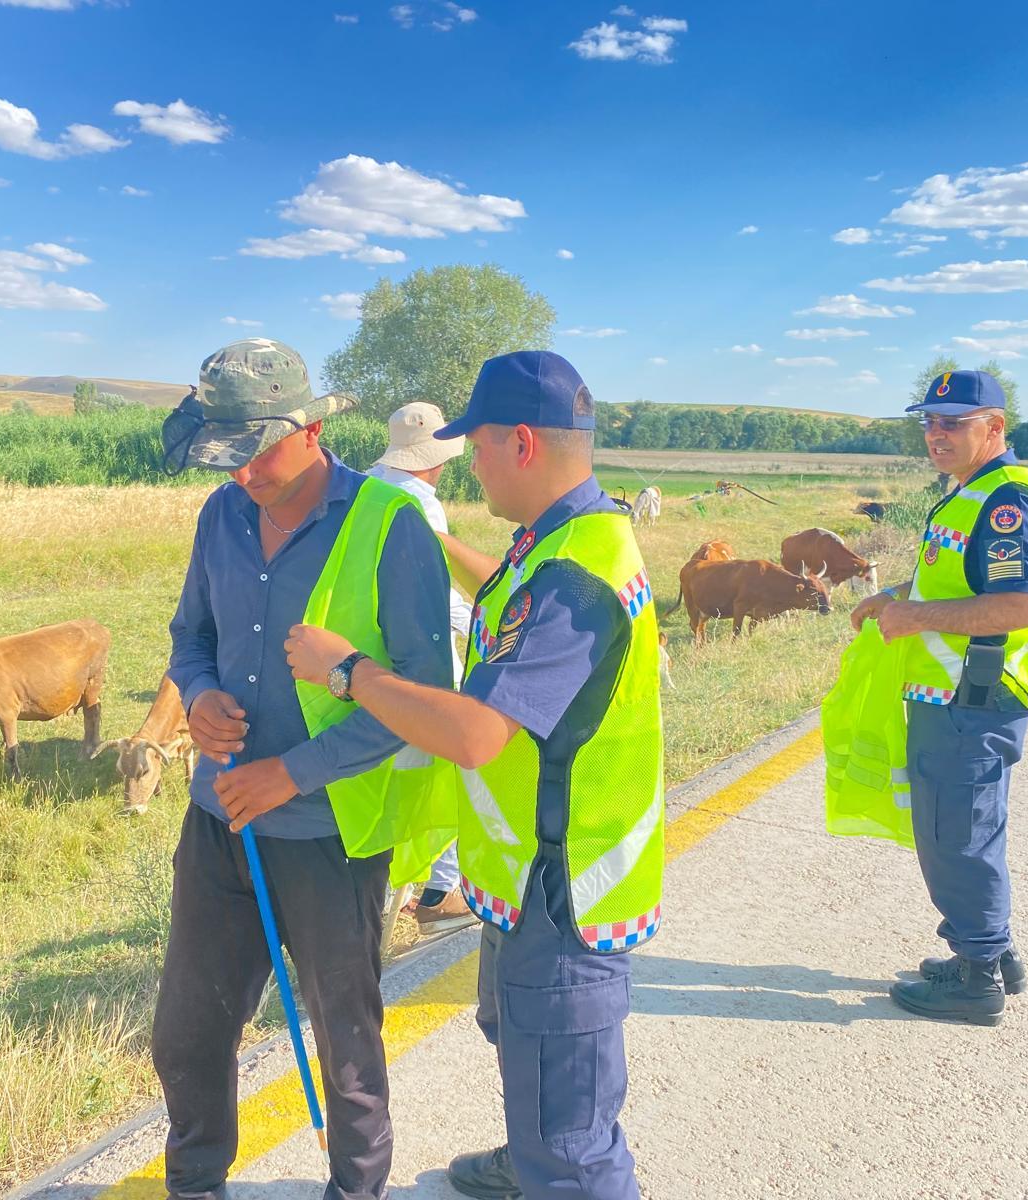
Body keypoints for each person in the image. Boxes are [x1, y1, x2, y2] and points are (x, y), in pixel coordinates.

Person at [287, 350, 663, 1200]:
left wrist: (348, 671)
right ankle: (531, 1150)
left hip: (565, 890)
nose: (472, 464)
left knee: (572, 1131)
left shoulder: (573, 578)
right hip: (527, 872)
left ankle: (554, 1168)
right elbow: (509, 592)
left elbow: (476, 735)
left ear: (521, 442)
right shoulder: (568, 535)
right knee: (525, 1043)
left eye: (478, 446)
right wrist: (432, 538)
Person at [154, 338, 456, 1200]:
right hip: (222, 821)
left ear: (314, 425)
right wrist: (201, 693)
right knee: (186, 1033)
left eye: (256, 450)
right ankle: (195, 1184)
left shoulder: (389, 527)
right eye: (227, 453)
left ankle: (354, 1190)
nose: (242, 472)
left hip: (329, 831)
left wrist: (293, 771)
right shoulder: (219, 514)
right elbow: (192, 637)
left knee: (346, 1043)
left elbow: (423, 695)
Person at [849, 369, 1028, 1025]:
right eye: (930, 423)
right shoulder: (971, 494)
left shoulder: (1006, 503)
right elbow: (957, 576)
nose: (936, 434)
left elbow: (1024, 604)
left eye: (954, 423)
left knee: (955, 837)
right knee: (969, 830)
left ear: (994, 428)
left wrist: (919, 618)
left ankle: (976, 981)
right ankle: (993, 951)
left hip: (971, 702)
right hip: (956, 701)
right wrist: (901, 596)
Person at [366, 400, 478, 935]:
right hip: (417, 660)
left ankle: (381, 896)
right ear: (439, 456)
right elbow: (433, 592)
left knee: (381, 781)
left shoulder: (361, 486)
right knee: (455, 767)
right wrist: (484, 620)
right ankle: (437, 894)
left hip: (362, 660)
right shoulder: (419, 503)